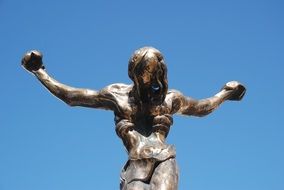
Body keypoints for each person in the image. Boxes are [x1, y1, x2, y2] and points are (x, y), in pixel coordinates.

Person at [21, 47, 246, 190]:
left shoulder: (169, 99)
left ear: (160, 74)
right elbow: (72, 96)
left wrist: (224, 93)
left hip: (164, 159)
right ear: (134, 73)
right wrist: (40, 72)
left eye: (153, 73)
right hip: (135, 164)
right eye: (143, 73)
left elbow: (202, 107)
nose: (148, 80)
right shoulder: (116, 95)